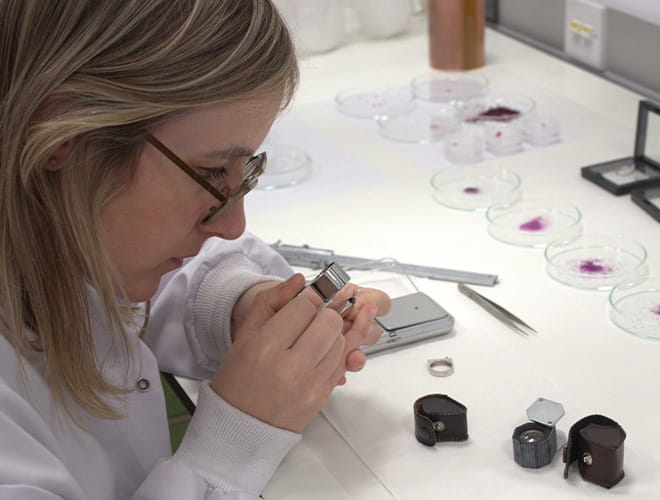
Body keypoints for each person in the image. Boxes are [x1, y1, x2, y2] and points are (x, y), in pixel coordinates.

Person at [0, 1, 391, 498]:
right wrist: (235, 443)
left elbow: (111, 290)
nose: (234, 226)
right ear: (61, 133)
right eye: (210, 173)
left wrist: (237, 305)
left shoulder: (49, 224)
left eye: (243, 171)